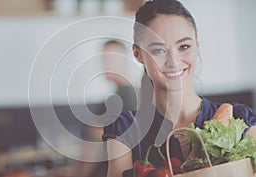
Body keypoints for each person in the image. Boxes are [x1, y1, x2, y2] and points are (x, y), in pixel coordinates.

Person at [102, 0, 256, 177]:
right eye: (158, 50)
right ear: (138, 55)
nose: (173, 62)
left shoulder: (240, 120)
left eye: (184, 47)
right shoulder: (125, 129)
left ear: (197, 46)